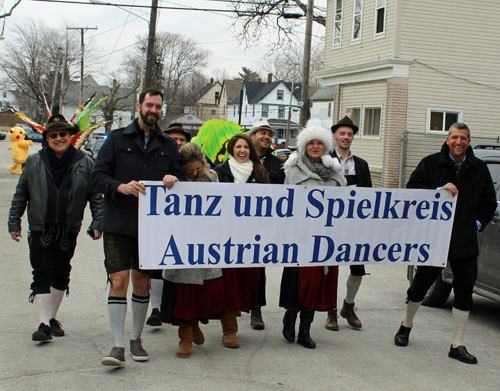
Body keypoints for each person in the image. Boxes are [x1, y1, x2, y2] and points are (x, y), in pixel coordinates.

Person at [91, 89, 185, 366]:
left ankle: (136, 339)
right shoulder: (117, 139)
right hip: (119, 222)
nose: (153, 110)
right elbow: (97, 177)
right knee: (118, 280)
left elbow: (180, 178)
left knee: (141, 281)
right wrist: (119, 186)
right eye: (149, 105)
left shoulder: (168, 145)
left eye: (158, 106)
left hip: (152, 228)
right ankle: (118, 345)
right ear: (139, 106)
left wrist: (173, 179)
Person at [394, 122, 496, 364]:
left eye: (463, 138)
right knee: (421, 285)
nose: (458, 142)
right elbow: (413, 191)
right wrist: (438, 190)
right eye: (454, 138)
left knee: (464, 291)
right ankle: (405, 326)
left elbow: (488, 202)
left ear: (469, 141)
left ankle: (457, 344)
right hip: (434, 237)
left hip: (464, 241)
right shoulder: (430, 164)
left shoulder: (480, 169)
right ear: (447, 139)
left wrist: (477, 224)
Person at [8, 114, 103, 342]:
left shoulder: (86, 162)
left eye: (63, 134)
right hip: (41, 227)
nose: (59, 138)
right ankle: (42, 323)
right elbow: (21, 193)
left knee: (61, 271)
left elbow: (96, 197)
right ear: (47, 139)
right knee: (41, 272)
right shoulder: (34, 161)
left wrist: (97, 223)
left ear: (70, 136)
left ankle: (51, 318)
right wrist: (14, 221)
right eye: (53, 135)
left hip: (68, 228)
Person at [279, 118, 347, 349]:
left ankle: (305, 329)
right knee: (299, 282)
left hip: (324, 240)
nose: (315, 146)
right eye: (311, 143)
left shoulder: (336, 173)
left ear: (326, 146)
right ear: (304, 146)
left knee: (316, 283)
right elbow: (284, 204)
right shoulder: (292, 169)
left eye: (320, 143)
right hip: (300, 237)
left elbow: (344, 207)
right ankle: (290, 317)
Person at [160, 142, 224, 358]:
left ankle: (194, 324)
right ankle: (185, 337)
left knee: (199, 293)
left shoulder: (212, 177)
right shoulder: (172, 178)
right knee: (182, 293)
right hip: (179, 243)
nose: (194, 173)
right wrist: (169, 180)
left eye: (197, 169)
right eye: (190, 170)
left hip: (204, 243)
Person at [214, 134, 269, 348]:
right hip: (226, 236)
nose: (242, 150)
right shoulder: (219, 172)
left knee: (248, 280)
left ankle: (251, 313)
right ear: (231, 149)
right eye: (238, 147)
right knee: (228, 282)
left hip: (251, 237)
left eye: (246, 147)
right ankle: (229, 330)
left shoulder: (260, 172)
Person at [326, 115, 373, 331]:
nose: (346, 137)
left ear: (353, 137)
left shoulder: (361, 165)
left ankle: (348, 305)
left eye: (350, 134)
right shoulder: (325, 161)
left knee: (357, 267)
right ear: (334, 135)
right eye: (342, 133)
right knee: (330, 267)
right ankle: (331, 311)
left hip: (355, 224)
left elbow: (369, 195)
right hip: (329, 222)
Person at [146, 122, 191, 328]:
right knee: (157, 265)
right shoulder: (157, 159)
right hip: (160, 221)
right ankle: (157, 308)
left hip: (185, 225)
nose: (178, 143)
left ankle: (178, 308)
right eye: (174, 139)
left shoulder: (195, 161)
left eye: (182, 139)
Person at [247, 119, 285, 330]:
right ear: (252, 136)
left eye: (269, 134)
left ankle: (256, 309)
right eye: (262, 133)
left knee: (258, 269)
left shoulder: (278, 165)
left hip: (265, 225)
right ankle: (234, 305)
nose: (267, 137)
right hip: (239, 225)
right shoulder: (239, 159)